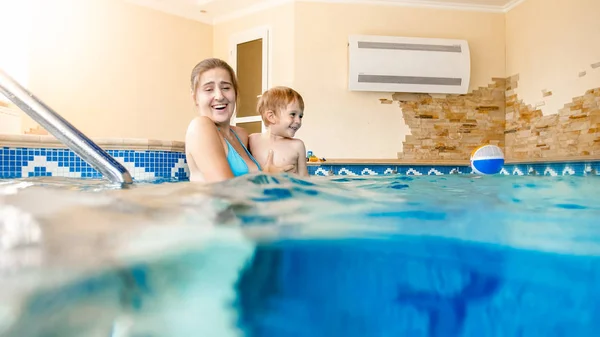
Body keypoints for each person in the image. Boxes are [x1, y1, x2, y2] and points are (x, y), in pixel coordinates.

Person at [184, 58, 292, 183]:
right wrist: (266, 177)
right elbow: (227, 191)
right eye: (209, 89)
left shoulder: (241, 135)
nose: (219, 96)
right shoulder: (200, 127)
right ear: (195, 97)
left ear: (235, 92)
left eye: (226, 88)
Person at [249, 86, 308, 177]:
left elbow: (305, 178)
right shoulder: (252, 140)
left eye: (300, 116)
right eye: (293, 114)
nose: (298, 121)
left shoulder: (297, 145)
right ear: (271, 117)